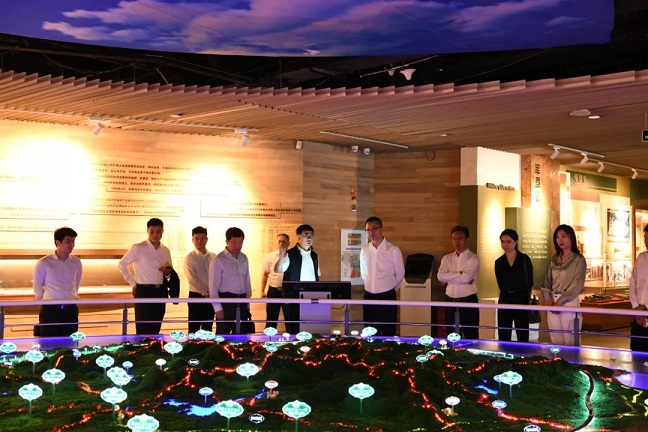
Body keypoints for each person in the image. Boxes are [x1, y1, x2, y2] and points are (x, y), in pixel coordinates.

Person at [119, 218, 180, 335]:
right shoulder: (138, 248)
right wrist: (133, 283)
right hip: (144, 290)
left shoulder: (165, 250)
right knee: (143, 326)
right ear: (147, 231)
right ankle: (142, 346)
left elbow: (169, 273)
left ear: (162, 232)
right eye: (152, 231)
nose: (155, 235)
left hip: (160, 291)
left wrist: (167, 273)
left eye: (158, 232)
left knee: (156, 325)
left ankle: (154, 345)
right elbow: (122, 264)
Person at [541, 224, 586, 346]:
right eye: (557, 237)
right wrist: (548, 299)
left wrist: (560, 302)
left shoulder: (579, 260)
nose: (560, 240)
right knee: (556, 340)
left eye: (563, 236)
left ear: (571, 237)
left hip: (569, 301)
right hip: (553, 302)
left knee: (570, 339)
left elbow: (577, 284)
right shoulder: (555, 259)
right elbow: (547, 280)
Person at [33, 227, 82, 337]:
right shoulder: (44, 262)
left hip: (70, 310)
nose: (71, 245)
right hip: (50, 310)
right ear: (58, 242)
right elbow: (37, 284)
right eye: (68, 241)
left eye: (73, 241)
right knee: (48, 341)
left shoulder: (76, 262)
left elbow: (76, 283)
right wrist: (44, 301)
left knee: (70, 342)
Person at [360, 216, 405, 336]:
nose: (371, 232)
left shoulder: (393, 250)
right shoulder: (364, 250)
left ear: (381, 229)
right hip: (369, 296)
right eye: (368, 230)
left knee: (388, 332)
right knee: (369, 333)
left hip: (387, 296)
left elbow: (400, 274)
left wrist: (389, 289)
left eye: (374, 228)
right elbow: (364, 273)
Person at [275, 224, 321, 334]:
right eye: (306, 235)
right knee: (294, 328)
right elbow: (278, 270)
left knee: (311, 327)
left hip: (311, 296)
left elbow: (317, 275)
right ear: (298, 237)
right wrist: (281, 259)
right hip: (294, 297)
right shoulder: (290, 254)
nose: (309, 238)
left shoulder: (314, 255)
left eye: (311, 236)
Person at [437, 225, 480, 340]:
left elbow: (466, 278)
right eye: (454, 239)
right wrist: (459, 273)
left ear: (467, 240)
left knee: (471, 335)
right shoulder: (447, 258)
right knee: (451, 336)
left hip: (468, 301)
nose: (457, 242)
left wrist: (449, 277)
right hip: (450, 301)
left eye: (460, 238)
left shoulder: (473, 258)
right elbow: (440, 277)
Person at [209, 227, 253, 335]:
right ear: (227, 241)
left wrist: (247, 302)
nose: (237, 245)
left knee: (242, 333)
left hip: (242, 300)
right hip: (226, 301)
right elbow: (213, 287)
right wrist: (217, 308)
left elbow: (247, 280)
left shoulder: (244, 258)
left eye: (240, 242)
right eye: (234, 242)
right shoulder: (219, 260)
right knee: (223, 334)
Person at [494, 228, 534, 342]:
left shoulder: (524, 259)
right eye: (502, 241)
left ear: (515, 242)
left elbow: (530, 280)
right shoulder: (499, 262)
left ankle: (523, 353)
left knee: (522, 333)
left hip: (521, 299)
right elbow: (500, 283)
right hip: (505, 299)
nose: (505, 245)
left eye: (508, 241)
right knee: (504, 334)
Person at [184, 226, 216, 333]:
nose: (199, 241)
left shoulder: (213, 257)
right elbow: (192, 279)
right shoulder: (190, 257)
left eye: (202, 238)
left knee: (208, 327)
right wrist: (206, 292)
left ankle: (207, 345)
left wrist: (212, 292)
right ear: (192, 239)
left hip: (211, 297)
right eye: (197, 238)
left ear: (207, 239)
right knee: (194, 328)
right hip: (196, 296)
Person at [261, 233, 290, 330]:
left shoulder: (291, 256)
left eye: (284, 241)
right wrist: (262, 291)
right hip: (273, 290)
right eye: (279, 241)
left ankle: (291, 337)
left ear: (288, 243)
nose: (281, 243)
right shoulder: (270, 256)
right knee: (271, 318)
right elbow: (265, 274)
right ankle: (268, 338)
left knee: (289, 318)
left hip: (287, 291)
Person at [629, 223, 648, 352]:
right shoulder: (641, 258)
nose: (646, 241)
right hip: (638, 314)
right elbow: (633, 284)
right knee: (637, 353)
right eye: (645, 237)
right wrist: (636, 308)